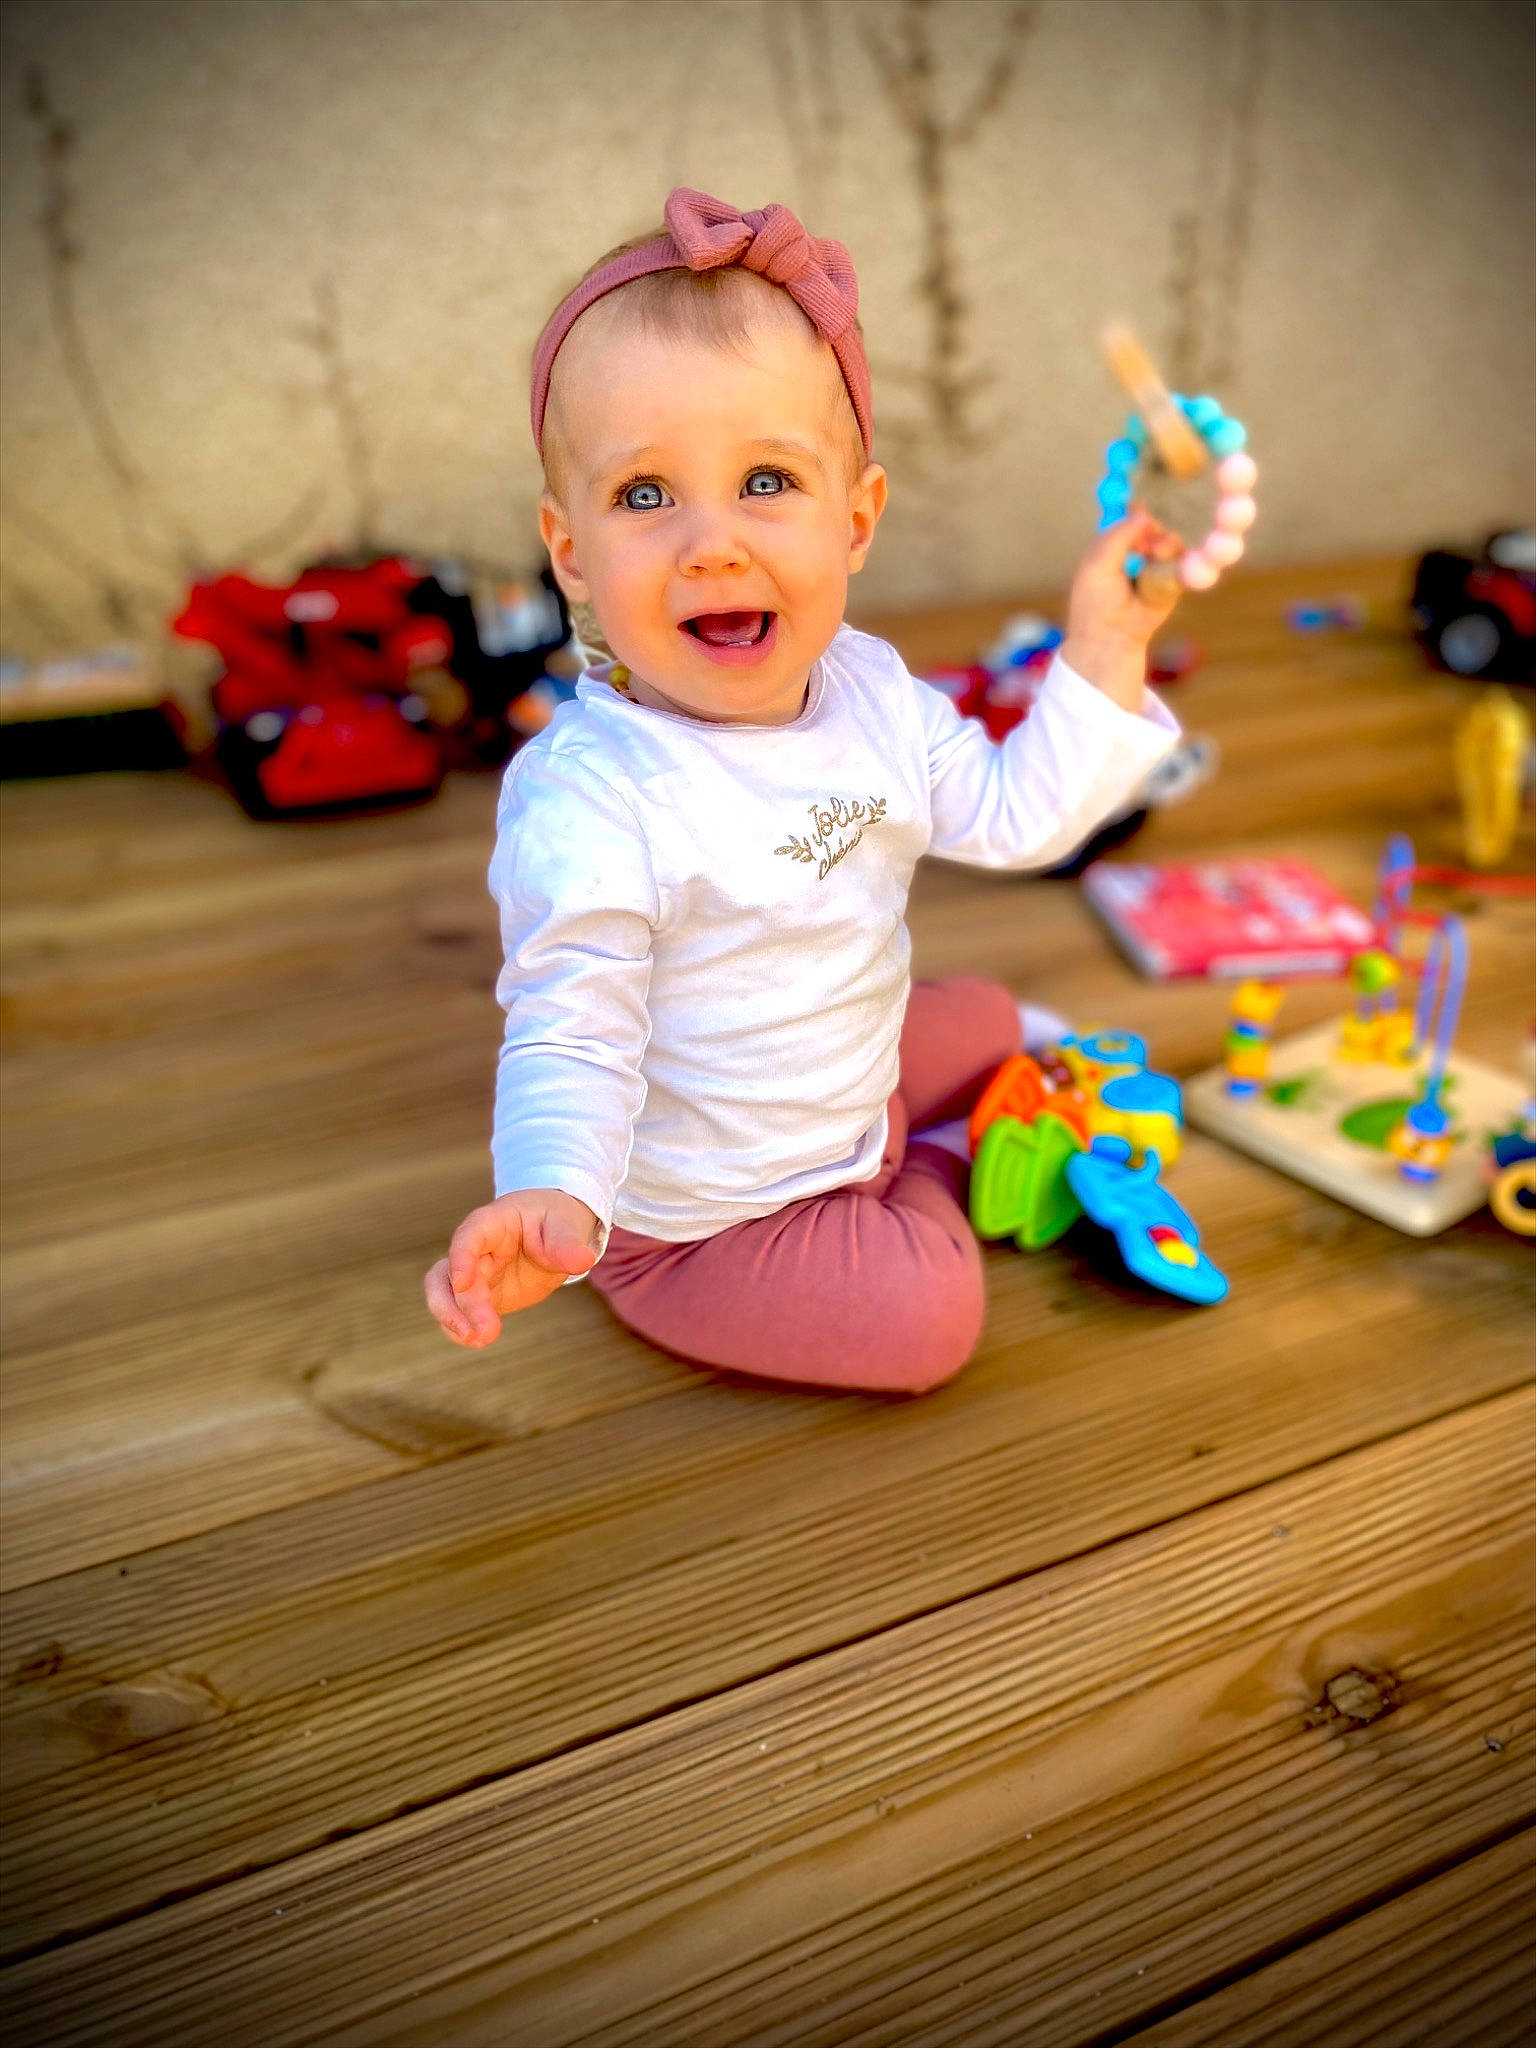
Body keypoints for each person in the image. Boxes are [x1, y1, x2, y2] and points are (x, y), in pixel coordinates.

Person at [424, 187, 1183, 1393]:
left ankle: (914, 1135)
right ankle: (942, 1163)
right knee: (928, 1323)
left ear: (856, 517)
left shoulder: (871, 689)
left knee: (981, 1005)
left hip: (851, 1087)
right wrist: (553, 1194)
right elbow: (572, 1023)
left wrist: (1102, 650)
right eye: (643, 495)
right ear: (569, 551)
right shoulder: (594, 795)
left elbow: (1015, 814)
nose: (711, 543)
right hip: (709, 1217)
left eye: (767, 482)